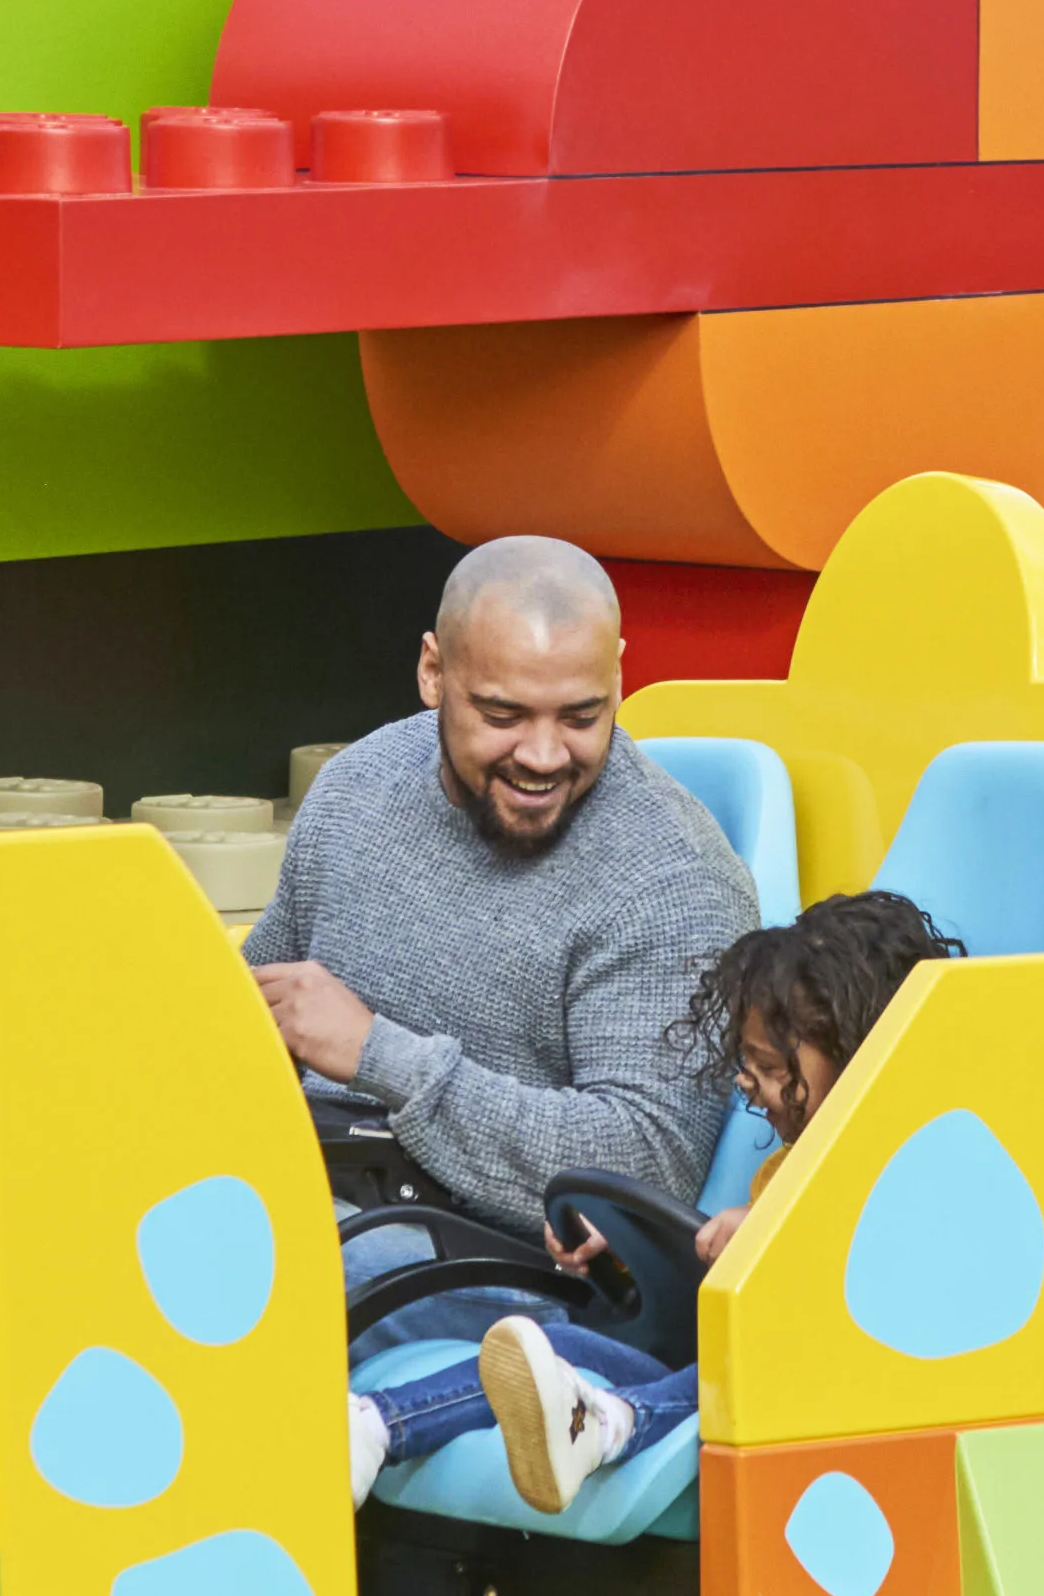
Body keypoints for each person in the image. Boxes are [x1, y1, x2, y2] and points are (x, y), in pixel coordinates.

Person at [254, 532, 762, 1246]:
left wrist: (378, 1054)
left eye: (581, 717)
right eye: (503, 716)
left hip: (499, 1258)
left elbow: (645, 1168)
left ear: (618, 678)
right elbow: (257, 1007)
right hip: (302, 1176)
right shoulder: (357, 786)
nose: (544, 756)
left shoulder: (672, 879)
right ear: (433, 673)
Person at [377, 893, 952, 1523]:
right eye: (746, 1062)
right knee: (562, 1343)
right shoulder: (783, 1171)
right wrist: (626, 1254)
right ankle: (375, 1426)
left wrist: (769, 1236)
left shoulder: (909, 1173)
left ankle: (612, 1423)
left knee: (743, 1373)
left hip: (794, 1403)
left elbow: (856, 1302)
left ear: (857, 1056)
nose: (745, 1082)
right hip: (703, 1366)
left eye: (767, 1065)